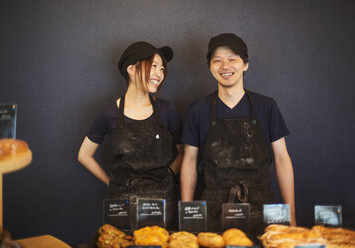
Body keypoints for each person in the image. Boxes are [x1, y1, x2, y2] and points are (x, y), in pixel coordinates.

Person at [180, 33, 296, 234]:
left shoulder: (266, 106)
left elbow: (282, 159)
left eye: (232, 59)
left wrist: (292, 214)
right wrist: (187, 214)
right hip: (214, 208)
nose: (225, 66)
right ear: (210, 67)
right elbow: (189, 161)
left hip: (262, 207)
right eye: (217, 60)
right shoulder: (198, 110)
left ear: (245, 65)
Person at [78, 41, 183, 230]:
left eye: (161, 68)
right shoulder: (108, 113)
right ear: (131, 69)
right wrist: (112, 183)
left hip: (161, 202)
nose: (159, 73)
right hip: (121, 204)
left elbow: (184, 152)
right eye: (153, 66)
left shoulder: (167, 110)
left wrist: (169, 173)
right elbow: (84, 156)